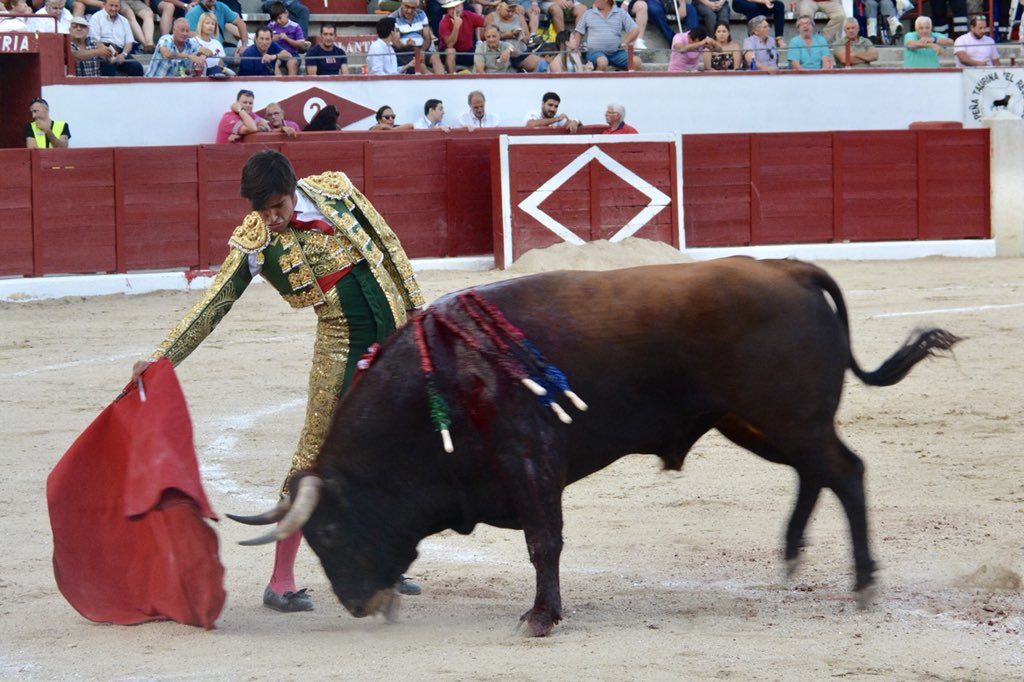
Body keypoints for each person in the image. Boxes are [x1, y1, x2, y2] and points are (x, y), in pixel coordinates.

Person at [130, 149, 425, 613]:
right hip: (341, 345)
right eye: (263, 210)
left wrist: (416, 307)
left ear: (294, 191)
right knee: (313, 455)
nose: (273, 218)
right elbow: (212, 305)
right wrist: (162, 358)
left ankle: (384, 560)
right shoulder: (254, 241)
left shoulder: (336, 190)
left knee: (393, 446)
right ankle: (281, 580)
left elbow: (386, 243)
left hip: (393, 335)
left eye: (279, 207)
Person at [571, 0, 642, 71]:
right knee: (602, 62)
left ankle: (626, 81)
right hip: (595, 52)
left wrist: (625, 43)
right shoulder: (588, 13)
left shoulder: (621, 13)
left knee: (636, 61)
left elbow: (635, 30)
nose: (594, 1)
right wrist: (575, 50)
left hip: (616, 53)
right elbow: (579, 33)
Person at [485, 1, 548, 72]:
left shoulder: (518, 17)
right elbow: (485, 37)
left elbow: (527, 38)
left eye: (513, 11)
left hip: (519, 52)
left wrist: (522, 33)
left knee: (542, 63)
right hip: (500, 53)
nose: (511, 13)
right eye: (508, 11)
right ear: (500, 6)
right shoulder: (491, 17)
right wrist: (505, 35)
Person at [88, 0, 144, 77]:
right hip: (104, 51)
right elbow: (95, 41)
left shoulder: (124, 20)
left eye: (116, 6)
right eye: (111, 5)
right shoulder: (96, 18)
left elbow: (129, 42)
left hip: (121, 51)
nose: (114, 9)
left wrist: (123, 55)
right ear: (104, 4)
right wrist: (110, 54)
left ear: (120, 6)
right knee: (108, 67)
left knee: (137, 67)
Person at [391, 0, 445, 74]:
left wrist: (422, 50)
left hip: (421, 49)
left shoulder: (421, 14)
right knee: (418, 61)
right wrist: (406, 45)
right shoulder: (393, 18)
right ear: (401, 4)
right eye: (407, 7)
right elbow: (396, 44)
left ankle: (442, 80)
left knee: (435, 56)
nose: (409, 11)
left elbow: (427, 38)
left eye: (413, 8)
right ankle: (432, 80)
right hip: (404, 52)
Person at [439, 0, 485, 73]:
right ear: (447, 9)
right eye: (451, 8)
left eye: (457, 6)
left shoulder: (469, 15)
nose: (455, 10)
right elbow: (450, 45)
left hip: (468, 51)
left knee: (484, 48)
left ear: (462, 6)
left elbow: (486, 23)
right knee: (451, 51)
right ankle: (453, 77)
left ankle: (483, 77)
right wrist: (456, 27)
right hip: (450, 54)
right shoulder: (444, 22)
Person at [193, 11, 234, 77]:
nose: (210, 26)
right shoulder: (193, 41)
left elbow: (221, 63)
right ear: (201, 25)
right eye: (207, 23)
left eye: (213, 24)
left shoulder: (217, 43)